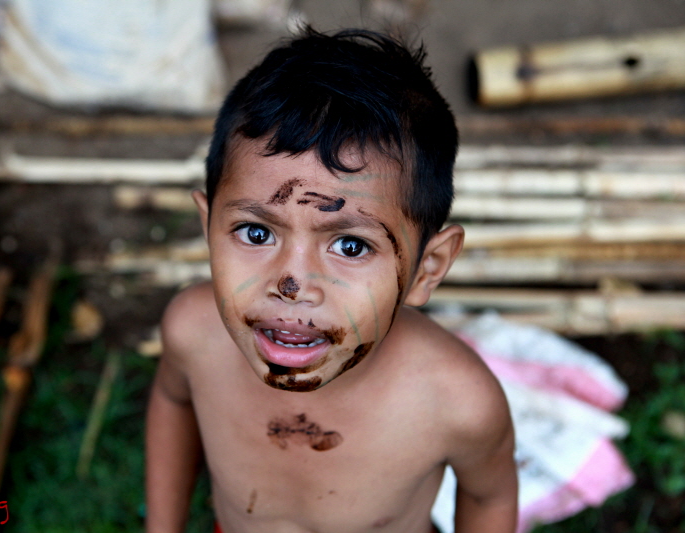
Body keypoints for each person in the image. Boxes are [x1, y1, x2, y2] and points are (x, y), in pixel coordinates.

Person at [145, 27, 517, 533]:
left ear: (425, 270)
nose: (292, 284)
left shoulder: (456, 401)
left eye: (350, 245)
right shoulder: (193, 334)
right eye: (256, 232)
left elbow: (489, 497)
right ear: (208, 228)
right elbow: (172, 400)